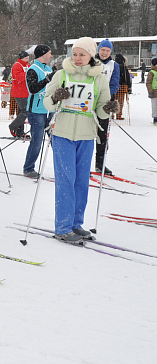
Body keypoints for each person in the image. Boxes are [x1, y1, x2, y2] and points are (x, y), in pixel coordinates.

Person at [44, 37, 116, 243]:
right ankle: (63, 227)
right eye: (74, 54)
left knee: (82, 181)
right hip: (62, 134)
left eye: (81, 54)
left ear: (91, 55)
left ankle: (76, 223)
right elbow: (47, 103)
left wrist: (109, 108)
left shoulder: (99, 78)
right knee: (66, 179)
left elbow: (102, 110)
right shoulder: (62, 74)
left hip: (86, 135)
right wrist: (56, 97)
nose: (77, 58)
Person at [22, 45, 54, 178]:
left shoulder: (49, 68)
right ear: (43, 54)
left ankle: (65, 166)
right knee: (37, 140)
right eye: (50, 53)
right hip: (37, 110)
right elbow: (33, 89)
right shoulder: (32, 69)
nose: (51, 56)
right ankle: (29, 168)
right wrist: (47, 79)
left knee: (55, 139)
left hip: (50, 108)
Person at [94, 39, 120, 175]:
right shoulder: (91, 61)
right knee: (85, 135)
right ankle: (83, 164)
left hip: (104, 105)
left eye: (107, 51)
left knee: (102, 137)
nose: (104, 53)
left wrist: (107, 98)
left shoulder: (114, 65)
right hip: (89, 103)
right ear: (99, 50)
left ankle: (100, 164)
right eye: (102, 50)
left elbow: (114, 84)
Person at [9, 51, 30, 138]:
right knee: (25, 111)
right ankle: (13, 126)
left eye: (28, 58)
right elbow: (17, 77)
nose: (27, 60)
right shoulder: (17, 65)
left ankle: (19, 131)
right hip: (19, 92)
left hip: (26, 92)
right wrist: (28, 74)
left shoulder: (27, 66)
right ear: (21, 58)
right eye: (26, 58)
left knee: (21, 112)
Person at [114, 54, 132, 120]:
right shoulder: (124, 68)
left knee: (113, 100)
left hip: (114, 86)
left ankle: (111, 115)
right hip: (122, 86)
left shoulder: (113, 66)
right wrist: (129, 86)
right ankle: (119, 115)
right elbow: (127, 78)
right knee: (120, 102)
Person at [146, 57, 157, 125]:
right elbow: (148, 83)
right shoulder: (151, 72)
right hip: (154, 92)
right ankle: (155, 118)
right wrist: (150, 92)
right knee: (155, 106)